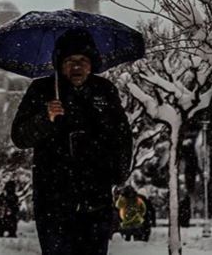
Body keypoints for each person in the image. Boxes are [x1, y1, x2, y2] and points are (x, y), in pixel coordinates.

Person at [11, 29, 133, 255]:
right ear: (59, 63)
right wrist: (44, 118)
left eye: (82, 61)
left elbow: (122, 136)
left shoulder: (104, 91)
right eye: (69, 61)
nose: (76, 67)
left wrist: (118, 172)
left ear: (91, 63)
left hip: (95, 199)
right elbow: (19, 136)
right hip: (53, 200)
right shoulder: (42, 90)